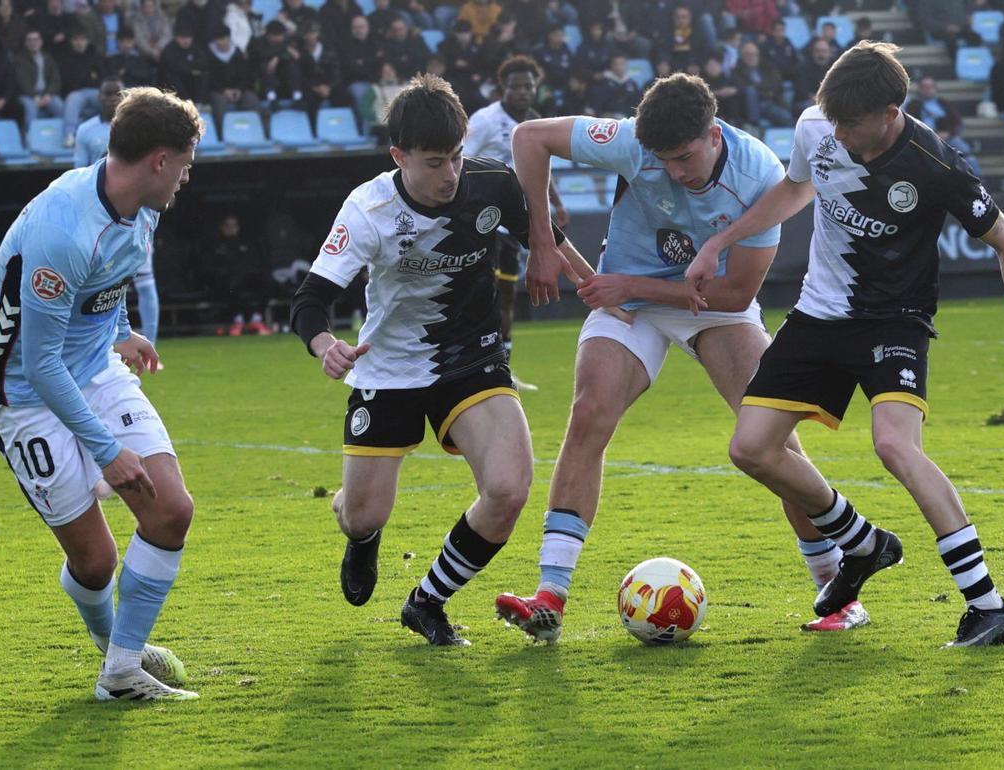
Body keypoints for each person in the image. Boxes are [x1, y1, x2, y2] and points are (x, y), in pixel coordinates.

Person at [683, 42, 1004, 647]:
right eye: (832, 119)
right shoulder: (817, 126)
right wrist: (720, 242)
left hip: (894, 321)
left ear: (891, 112)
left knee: (895, 446)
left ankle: (989, 605)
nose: (837, 133)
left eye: (850, 123)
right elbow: (794, 191)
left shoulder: (937, 164)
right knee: (750, 448)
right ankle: (864, 542)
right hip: (818, 315)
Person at [494, 73, 870, 644]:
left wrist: (629, 285)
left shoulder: (761, 176)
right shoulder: (630, 140)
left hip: (711, 307)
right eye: (663, 160)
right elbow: (528, 137)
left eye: (684, 157)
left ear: (714, 134)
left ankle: (836, 594)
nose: (674, 171)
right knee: (589, 413)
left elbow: (735, 295)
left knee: (772, 442)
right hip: (629, 306)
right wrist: (542, 242)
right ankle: (550, 596)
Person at [289, 74, 595, 646]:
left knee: (508, 488)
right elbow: (309, 301)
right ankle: (357, 529)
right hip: (388, 369)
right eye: (433, 162)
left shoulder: (490, 184)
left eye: (456, 157)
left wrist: (593, 285)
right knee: (364, 514)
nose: (450, 175)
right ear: (398, 155)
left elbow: (546, 235)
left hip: (472, 358)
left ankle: (427, 600)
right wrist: (325, 345)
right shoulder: (368, 208)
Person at [0, 86, 204, 700]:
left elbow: (112, 271)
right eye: (185, 162)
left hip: (95, 367)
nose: (187, 175)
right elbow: (40, 363)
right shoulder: (62, 228)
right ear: (159, 160)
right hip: (20, 392)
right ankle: (116, 651)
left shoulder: (143, 206)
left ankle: (121, 673)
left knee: (171, 510)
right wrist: (106, 451)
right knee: (96, 563)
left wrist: (123, 331)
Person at [464, 55, 568, 391]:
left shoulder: (536, 121)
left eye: (528, 86)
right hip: (483, 220)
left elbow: (539, 166)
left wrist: (556, 202)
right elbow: (459, 160)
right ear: (502, 89)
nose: (523, 92)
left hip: (514, 222)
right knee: (482, 294)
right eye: (516, 86)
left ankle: (501, 369)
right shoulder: (484, 120)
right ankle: (469, 365)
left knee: (506, 295)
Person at [13, 29, 65, 129]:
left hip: (47, 94)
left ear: (41, 42)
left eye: (36, 39)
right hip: (27, 95)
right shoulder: (19, 60)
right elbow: (22, 81)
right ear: (25, 43)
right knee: (30, 107)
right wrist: (34, 96)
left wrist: (48, 94)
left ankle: (61, 136)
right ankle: (30, 136)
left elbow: (55, 79)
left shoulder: (48, 58)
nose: (33, 43)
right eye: (30, 40)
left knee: (59, 105)